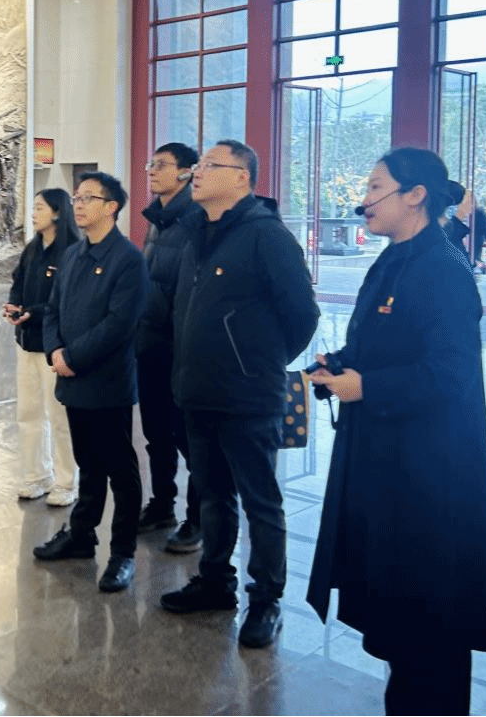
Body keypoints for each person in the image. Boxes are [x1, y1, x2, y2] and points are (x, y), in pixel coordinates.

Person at [307, 147, 486, 715]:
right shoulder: (393, 260)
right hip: (390, 468)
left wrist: (367, 387)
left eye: (376, 187)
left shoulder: (442, 270)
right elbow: (384, 347)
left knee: (430, 624)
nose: (364, 200)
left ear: (415, 195)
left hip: (430, 479)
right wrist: (341, 364)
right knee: (401, 621)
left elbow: (452, 374)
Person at [159, 140, 319, 650]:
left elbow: (303, 315)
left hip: (249, 396)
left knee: (261, 502)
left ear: (242, 178)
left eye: (211, 165)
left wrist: (259, 363)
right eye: (199, 165)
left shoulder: (267, 236)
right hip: (198, 391)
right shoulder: (198, 233)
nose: (198, 172)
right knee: (212, 497)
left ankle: (266, 599)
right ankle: (215, 582)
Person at [34, 172, 149, 593]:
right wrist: (54, 350)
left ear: (111, 207)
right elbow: (52, 310)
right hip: (71, 379)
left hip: (107, 382)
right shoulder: (73, 255)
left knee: (120, 468)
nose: (78, 205)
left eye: (88, 198)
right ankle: (82, 535)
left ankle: (123, 553)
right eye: (77, 197)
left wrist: (72, 357)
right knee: (87, 462)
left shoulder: (128, 259)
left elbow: (119, 324)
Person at [135, 141, 203, 552]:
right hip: (150, 344)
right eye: (151, 163)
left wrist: (147, 296)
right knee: (156, 433)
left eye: (161, 165)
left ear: (186, 172)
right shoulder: (156, 219)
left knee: (189, 439)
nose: (151, 170)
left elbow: (189, 291)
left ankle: (197, 519)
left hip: (181, 348)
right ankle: (162, 505)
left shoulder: (195, 219)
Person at [3, 187, 80, 506]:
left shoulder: (73, 251)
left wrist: (33, 312)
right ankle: (37, 475)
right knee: (29, 413)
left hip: (54, 347)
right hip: (27, 343)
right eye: (33, 207)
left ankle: (67, 481)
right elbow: (18, 282)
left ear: (58, 212)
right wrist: (14, 305)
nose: (33, 213)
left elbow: (67, 303)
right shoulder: (33, 248)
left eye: (39, 208)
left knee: (59, 416)